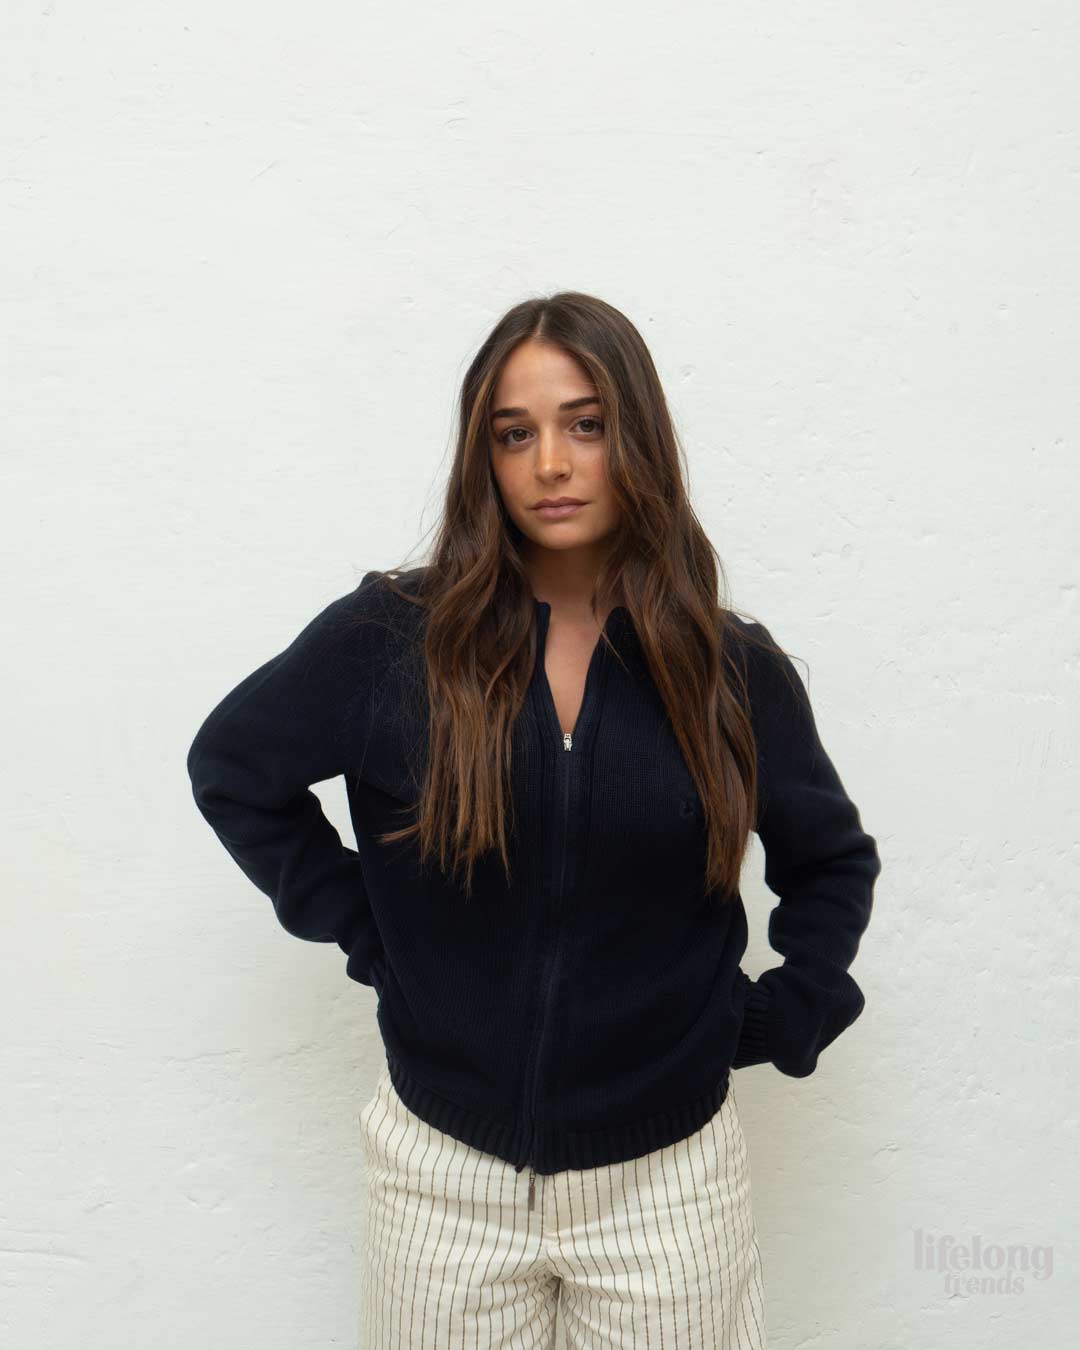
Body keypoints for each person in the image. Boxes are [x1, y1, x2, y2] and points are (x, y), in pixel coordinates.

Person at [186, 290, 882, 1348]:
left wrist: (795, 1009)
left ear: (636, 438)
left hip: (668, 1189)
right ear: (485, 458)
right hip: (441, 1182)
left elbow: (830, 861)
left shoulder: (729, 671)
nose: (550, 463)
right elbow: (233, 770)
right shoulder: (390, 641)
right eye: (515, 434)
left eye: (585, 425)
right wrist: (377, 937)